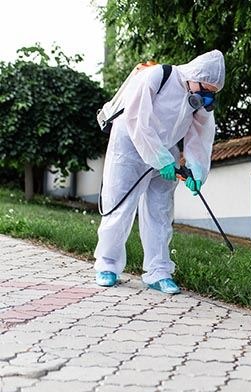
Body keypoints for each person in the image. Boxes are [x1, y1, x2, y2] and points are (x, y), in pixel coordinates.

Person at [94, 50, 225, 294]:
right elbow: (136, 119)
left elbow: (201, 138)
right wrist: (159, 158)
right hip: (130, 147)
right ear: (194, 75)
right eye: (204, 89)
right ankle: (107, 265)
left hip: (166, 151)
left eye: (211, 93)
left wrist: (196, 172)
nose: (205, 97)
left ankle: (158, 272)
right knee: (120, 206)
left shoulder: (199, 100)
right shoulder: (157, 76)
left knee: (160, 212)